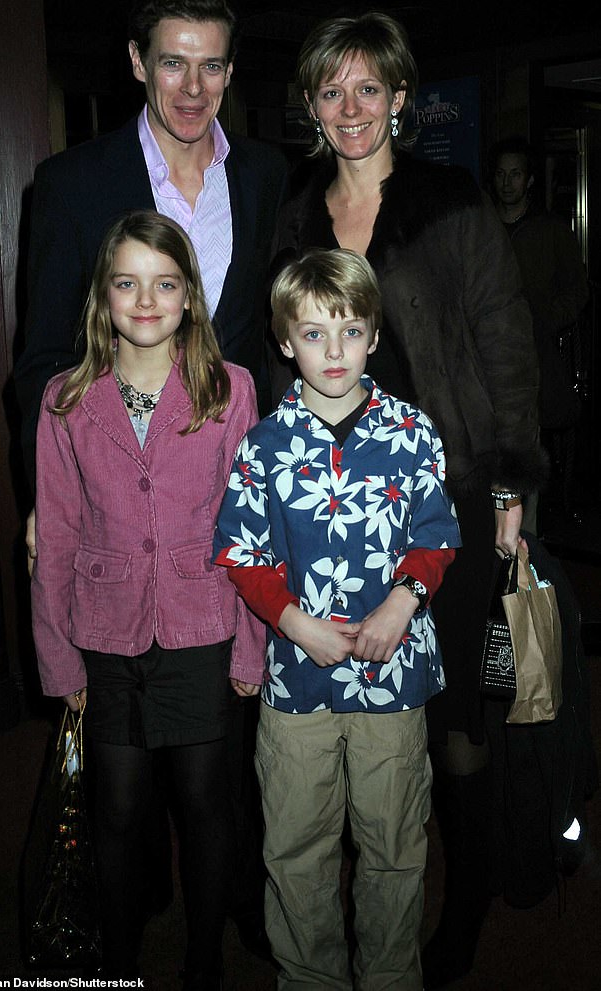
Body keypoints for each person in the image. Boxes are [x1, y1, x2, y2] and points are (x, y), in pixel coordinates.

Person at [268, 12, 548, 989]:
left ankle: (465, 893)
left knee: (452, 711)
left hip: (454, 491)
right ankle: (358, 897)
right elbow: (277, 354)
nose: (349, 107)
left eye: (367, 88)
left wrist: (511, 491)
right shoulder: (296, 206)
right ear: (311, 104)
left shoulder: (448, 197)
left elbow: (504, 341)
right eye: (329, 90)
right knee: (354, 708)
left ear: (398, 96)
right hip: (337, 512)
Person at [15, 0, 287, 957]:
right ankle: (138, 924)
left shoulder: (263, 172)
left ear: (231, 69)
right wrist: (48, 508)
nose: (193, 88)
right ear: (137, 61)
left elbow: (273, 340)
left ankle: (230, 919)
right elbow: (42, 358)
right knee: (125, 799)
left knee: (219, 781)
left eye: (212, 65)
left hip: (212, 537)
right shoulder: (71, 181)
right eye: (173, 63)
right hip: (107, 544)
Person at [213, 248, 462, 989]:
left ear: (375, 336)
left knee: (393, 846)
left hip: (394, 677)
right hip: (297, 684)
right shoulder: (263, 445)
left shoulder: (413, 431)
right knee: (296, 847)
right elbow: (242, 550)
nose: (333, 350)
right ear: (285, 341)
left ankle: (390, 976)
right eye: (314, 334)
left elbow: (438, 532)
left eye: (350, 331)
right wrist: (294, 623)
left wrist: (401, 601)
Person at [30, 209, 265, 987]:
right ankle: (121, 960)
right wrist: (59, 659)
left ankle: (203, 960)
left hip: (203, 623)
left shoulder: (230, 390)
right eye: (126, 283)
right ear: (103, 296)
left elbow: (251, 527)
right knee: (119, 809)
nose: (145, 299)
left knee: (206, 803)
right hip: (104, 630)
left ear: (190, 297)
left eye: (164, 283)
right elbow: (57, 536)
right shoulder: (67, 399)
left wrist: (251, 642)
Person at [488, 135, 589, 528]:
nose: (507, 182)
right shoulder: (483, 228)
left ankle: (526, 536)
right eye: (501, 174)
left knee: (529, 440)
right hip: (489, 355)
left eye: (515, 174)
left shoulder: (549, 230)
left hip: (536, 354)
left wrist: (546, 319)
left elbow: (577, 289)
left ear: (529, 180)